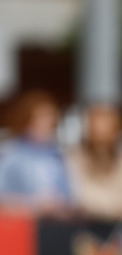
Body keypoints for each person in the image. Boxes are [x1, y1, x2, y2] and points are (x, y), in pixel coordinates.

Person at [0, 89, 74, 218]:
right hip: (24, 226)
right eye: (39, 120)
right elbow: (3, 198)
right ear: (27, 121)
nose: (45, 125)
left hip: (54, 226)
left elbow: (71, 197)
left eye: (50, 121)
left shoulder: (57, 155)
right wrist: (34, 204)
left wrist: (59, 205)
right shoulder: (11, 154)